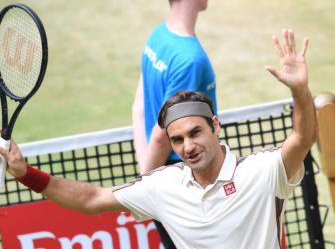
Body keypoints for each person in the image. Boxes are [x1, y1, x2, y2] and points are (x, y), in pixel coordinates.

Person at [1, 29, 317, 248]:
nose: (188, 147)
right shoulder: (162, 186)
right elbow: (92, 199)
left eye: (195, 132)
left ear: (215, 126)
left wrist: (299, 90)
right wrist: (26, 174)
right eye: (177, 140)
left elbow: (303, 138)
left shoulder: (261, 172)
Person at [132, 0, 217, 245]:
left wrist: (145, 176)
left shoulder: (157, 36)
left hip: (162, 174)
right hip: (185, 182)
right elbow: (163, 136)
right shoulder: (190, 60)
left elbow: (138, 107)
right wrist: (143, 188)